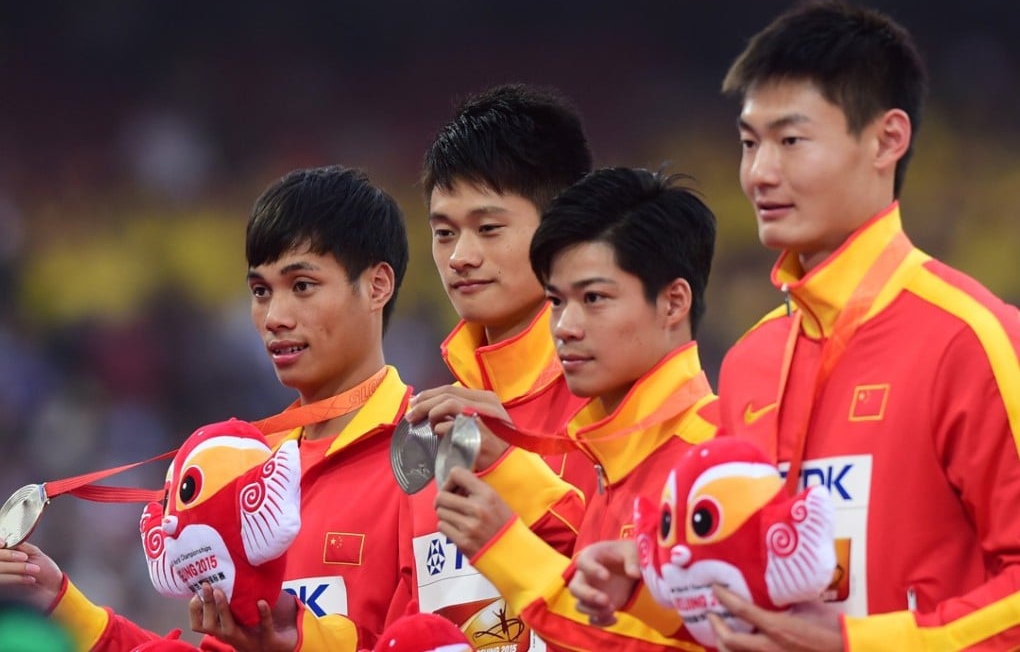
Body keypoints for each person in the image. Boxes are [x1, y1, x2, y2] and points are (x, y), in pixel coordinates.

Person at [573, 0, 1020, 652]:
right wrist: (651, 582)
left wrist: (858, 643)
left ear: (887, 140)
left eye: (790, 140)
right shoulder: (751, 361)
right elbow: (751, 582)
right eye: (749, 143)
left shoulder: (970, 339)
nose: (760, 173)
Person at [0, 165, 416, 651]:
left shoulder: (428, 456)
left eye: (302, 285)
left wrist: (300, 642)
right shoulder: (245, 467)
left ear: (377, 286)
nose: (274, 318)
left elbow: (455, 640)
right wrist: (60, 601)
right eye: (261, 292)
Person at [432, 167, 720, 650]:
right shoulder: (609, 464)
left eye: (594, 298)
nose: (565, 326)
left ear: (673, 303)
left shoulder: (715, 459)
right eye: (556, 301)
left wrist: (506, 547)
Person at [402, 83, 596, 651]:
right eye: (444, 233)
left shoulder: (615, 401)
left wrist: (508, 467)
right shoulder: (426, 430)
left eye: (488, 229)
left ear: (563, 229)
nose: (460, 257)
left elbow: (642, 604)